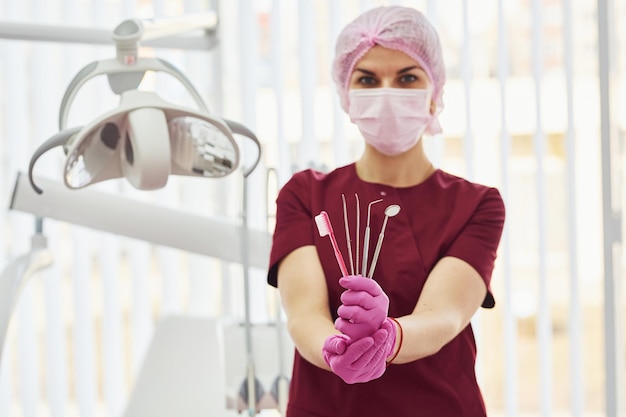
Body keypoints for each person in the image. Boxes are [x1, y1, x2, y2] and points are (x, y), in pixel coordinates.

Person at [267, 5, 505, 417]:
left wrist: (389, 337)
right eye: (368, 79)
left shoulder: (477, 204)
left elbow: (445, 314)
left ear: (435, 94)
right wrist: (333, 348)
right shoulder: (304, 195)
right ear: (347, 94)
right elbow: (304, 313)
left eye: (408, 77)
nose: (388, 92)